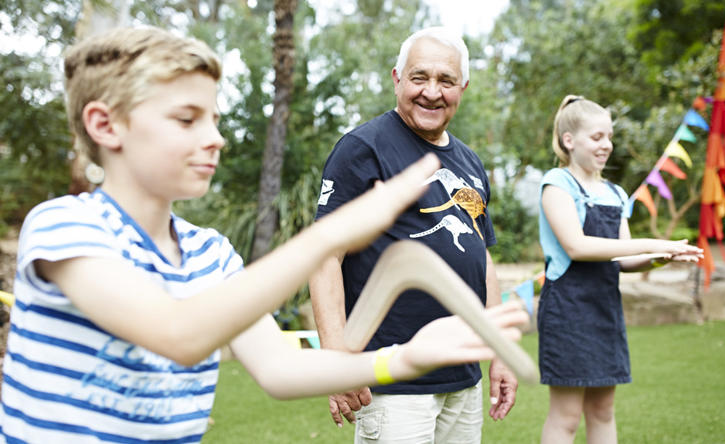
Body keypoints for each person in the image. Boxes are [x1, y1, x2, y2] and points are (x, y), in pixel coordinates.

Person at [0, 26, 530, 443]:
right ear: (105, 125)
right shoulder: (64, 225)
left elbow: (278, 371)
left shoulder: (211, 256)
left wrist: (401, 360)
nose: (215, 138)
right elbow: (178, 335)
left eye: (213, 118)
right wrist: (331, 236)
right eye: (187, 119)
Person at [309, 27, 517, 443]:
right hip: (392, 377)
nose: (431, 92)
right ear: (397, 79)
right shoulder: (362, 148)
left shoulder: (469, 161)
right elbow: (324, 255)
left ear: (463, 87)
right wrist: (337, 360)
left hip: (463, 371)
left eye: (446, 81)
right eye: (419, 78)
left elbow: (482, 258)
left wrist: (500, 352)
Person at [537, 95, 703, 443]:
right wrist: (653, 243)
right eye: (597, 137)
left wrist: (662, 258)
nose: (607, 145)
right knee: (566, 417)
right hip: (567, 310)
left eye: (609, 137)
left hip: (604, 311)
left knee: (603, 411)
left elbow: (623, 261)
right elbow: (577, 247)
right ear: (569, 141)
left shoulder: (615, 192)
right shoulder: (557, 184)